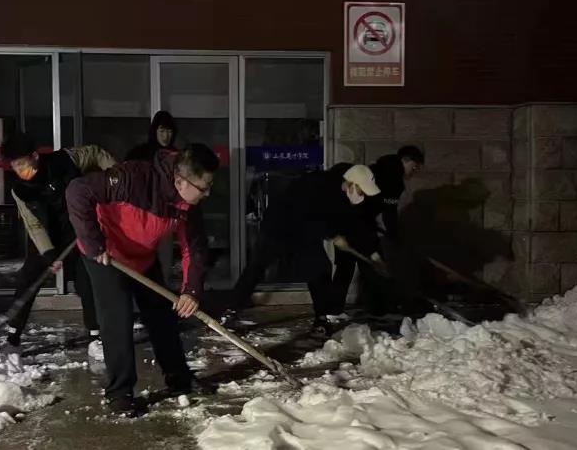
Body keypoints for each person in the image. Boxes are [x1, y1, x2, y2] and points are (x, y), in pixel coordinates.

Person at [66, 144, 219, 417]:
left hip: (142, 258)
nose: (207, 194)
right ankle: (120, 393)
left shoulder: (188, 204)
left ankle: (179, 378)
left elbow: (194, 249)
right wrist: (94, 242)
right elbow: (78, 191)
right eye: (204, 187)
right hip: (106, 255)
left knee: (162, 316)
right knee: (118, 319)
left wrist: (191, 291)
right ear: (181, 181)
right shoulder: (133, 178)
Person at [225, 164, 380, 337]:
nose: (363, 196)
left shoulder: (345, 199)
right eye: (362, 191)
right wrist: (333, 234)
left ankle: (321, 319)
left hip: (306, 233)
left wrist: (373, 253)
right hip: (278, 227)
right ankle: (231, 311)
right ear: (351, 184)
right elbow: (307, 215)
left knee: (320, 269)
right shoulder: (316, 183)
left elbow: (357, 226)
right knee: (257, 266)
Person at [1, 132, 117, 350]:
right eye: (15, 166)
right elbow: (33, 224)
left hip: (79, 229)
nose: (19, 170)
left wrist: (116, 175)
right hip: (47, 233)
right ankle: (13, 338)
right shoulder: (20, 190)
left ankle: (95, 336)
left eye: (22, 164)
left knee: (86, 281)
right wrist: (48, 253)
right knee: (28, 278)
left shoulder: (65, 160)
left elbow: (95, 153)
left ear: (35, 156)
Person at [333, 146, 425, 315]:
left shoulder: (377, 170)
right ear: (405, 160)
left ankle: (335, 309)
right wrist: (392, 232)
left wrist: (392, 233)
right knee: (371, 267)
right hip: (358, 226)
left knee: (349, 269)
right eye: (414, 167)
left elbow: (388, 209)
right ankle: (377, 308)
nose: (414, 172)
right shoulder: (391, 179)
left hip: (352, 224)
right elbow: (388, 211)